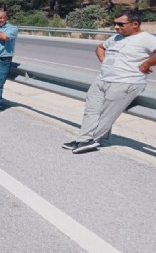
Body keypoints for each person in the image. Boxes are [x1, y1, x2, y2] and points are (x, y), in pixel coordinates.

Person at [63, 10, 156, 154]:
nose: (116, 27)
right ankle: (83, 139)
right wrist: (104, 61)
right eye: (115, 23)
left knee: (107, 114)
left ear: (135, 24)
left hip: (126, 82)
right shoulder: (116, 38)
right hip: (102, 79)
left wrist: (146, 64)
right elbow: (100, 47)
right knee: (91, 111)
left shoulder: (146, 38)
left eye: (120, 24)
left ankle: (91, 140)